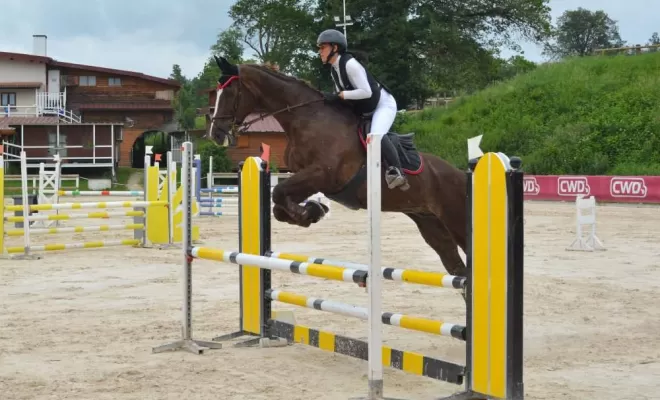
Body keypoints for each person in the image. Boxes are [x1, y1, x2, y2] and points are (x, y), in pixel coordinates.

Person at [316, 29, 409, 191]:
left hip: (383, 105)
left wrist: (340, 95)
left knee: (375, 136)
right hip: (365, 108)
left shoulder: (350, 64)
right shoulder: (334, 70)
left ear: (335, 48)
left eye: (322, 47)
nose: (320, 52)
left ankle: (397, 172)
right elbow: (343, 97)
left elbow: (366, 92)